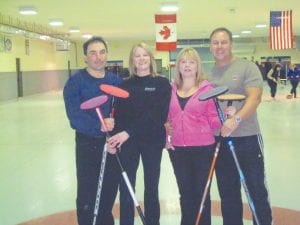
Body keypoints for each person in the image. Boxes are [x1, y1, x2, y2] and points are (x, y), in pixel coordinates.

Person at [208, 27, 273, 225]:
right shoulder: (207, 75)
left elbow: (254, 98)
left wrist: (236, 119)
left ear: (231, 44)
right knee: (228, 194)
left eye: (223, 42)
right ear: (211, 46)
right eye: (215, 43)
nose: (219, 46)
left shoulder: (246, 67)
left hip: (247, 139)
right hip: (220, 141)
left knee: (256, 190)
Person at [107, 42, 171, 225]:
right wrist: (115, 133)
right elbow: (118, 116)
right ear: (132, 60)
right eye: (137, 55)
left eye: (145, 55)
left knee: (151, 187)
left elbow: (158, 116)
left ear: (151, 58)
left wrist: (129, 132)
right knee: (126, 188)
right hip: (128, 144)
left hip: (152, 142)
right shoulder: (124, 85)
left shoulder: (161, 83)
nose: (141, 59)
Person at [63, 36, 122, 225]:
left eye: (102, 52)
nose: (98, 57)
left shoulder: (116, 81)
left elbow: (124, 112)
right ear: (85, 57)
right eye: (93, 53)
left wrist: (116, 134)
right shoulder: (75, 82)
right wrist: (99, 125)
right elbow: (74, 117)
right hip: (87, 145)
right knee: (88, 194)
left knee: (108, 191)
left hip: (112, 145)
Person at [165, 47, 224, 225]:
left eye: (192, 62)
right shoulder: (170, 90)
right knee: (185, 192)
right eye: (183, 61)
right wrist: (166, 138)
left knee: (202, 193)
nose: (188, 65)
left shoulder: (207, 89)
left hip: (203, 149)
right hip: (178, 150)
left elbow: (215, 120)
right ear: (178, 66)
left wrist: (225, 116)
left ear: (198, 66)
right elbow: (165, 119)